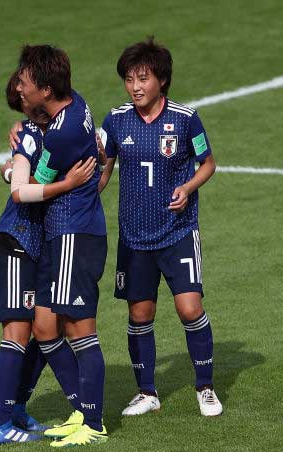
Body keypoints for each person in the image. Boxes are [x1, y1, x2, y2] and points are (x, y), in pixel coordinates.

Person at [98, 39, 221, 417]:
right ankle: (147, 392)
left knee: (189, 308)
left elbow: (208, 163)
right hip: (135, 237)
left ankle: (205, 387)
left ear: (162, 81)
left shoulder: (185, 119)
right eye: (129, 79)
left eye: (143, 78)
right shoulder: (115, 120)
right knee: (139, 315)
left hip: (177, 232)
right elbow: (101, 171)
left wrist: (187, 187)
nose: (135, 87)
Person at [0, 71, 95, 443]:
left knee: (43, 328)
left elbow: (11, 174)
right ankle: (0, 425)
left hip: (35, 244)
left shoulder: (47, 130)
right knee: (17, 334)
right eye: (22, 92)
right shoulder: (31, 136)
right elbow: (19, 190)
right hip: (16, 242)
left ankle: (20, 409)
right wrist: (67, 184)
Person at [11, 44, 108, 446]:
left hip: (74, 234)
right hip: (64, 233)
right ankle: (81, 410)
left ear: (47, 89)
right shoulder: (74, 104)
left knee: (79, 328)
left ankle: (94, 423)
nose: (19, 86)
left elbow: (30, 188)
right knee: (45, 324)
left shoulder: (63, 133)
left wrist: (17, 155)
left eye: (26, 81)